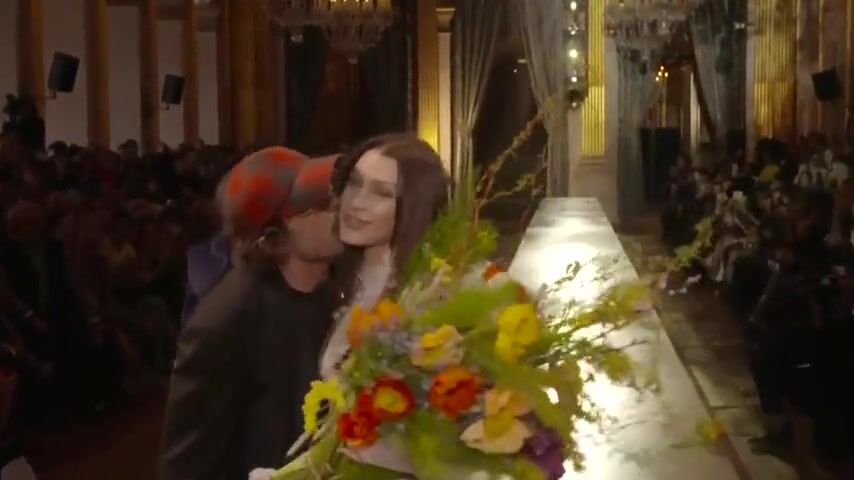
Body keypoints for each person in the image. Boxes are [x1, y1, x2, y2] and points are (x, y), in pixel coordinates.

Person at [160, 147, 343, 480]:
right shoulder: (227, 318)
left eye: (332, 196)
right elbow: (187, 462)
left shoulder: (337, 292)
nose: (338, 210)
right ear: (271, 232)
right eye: (314, 206)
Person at [318, 134, 450, 475]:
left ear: (414, 206)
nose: (357, 203)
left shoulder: (436, 291)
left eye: (382, 193)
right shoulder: (339, 276)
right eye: (354, 183)